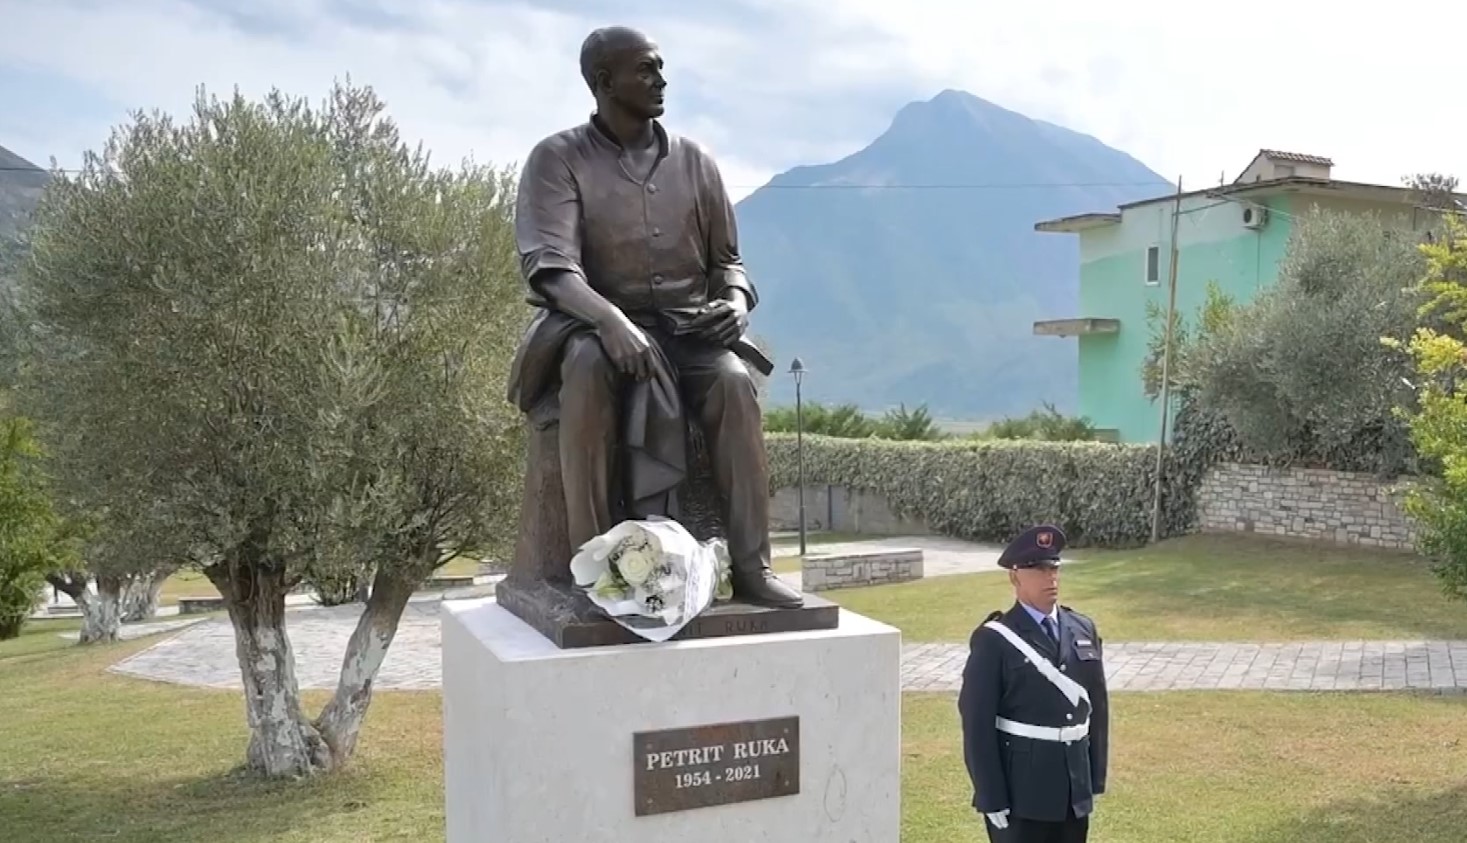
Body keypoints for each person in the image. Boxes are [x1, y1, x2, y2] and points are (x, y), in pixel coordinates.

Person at [506, 25, 802, 609]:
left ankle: (752, 567)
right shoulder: (557, 159)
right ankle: (593, 567)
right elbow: (551, 266)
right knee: (588, 368)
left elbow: (729, 263)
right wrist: (613, 322)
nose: (661, 80)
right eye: (646, 69)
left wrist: (735, 306)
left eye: (660, 68)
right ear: (603, 81)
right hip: (593, 327)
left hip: (689, 332)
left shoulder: (695, 163)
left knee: (735, 384)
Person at [957, 524, 1109, 842]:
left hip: (1072, 790)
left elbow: (1097, 708)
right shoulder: (995, 640)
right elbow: (977, 725)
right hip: (1022, 794)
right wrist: (990, 796)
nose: (1049, 577)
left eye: (1053, 567)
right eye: (1037, 569)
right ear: (1015, 577)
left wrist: (1093, 777)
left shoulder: (1082, 628)